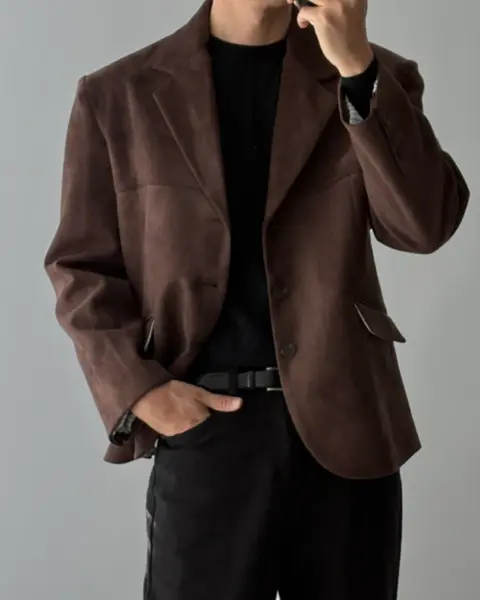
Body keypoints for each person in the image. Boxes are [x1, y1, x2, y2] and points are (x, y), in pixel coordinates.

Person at [44, 0, 469, 598]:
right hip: (204, 433)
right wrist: (140, 391)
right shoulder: (120, 94)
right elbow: (80, 267)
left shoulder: (374, 74)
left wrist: (356, 67)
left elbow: (423, 225)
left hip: (346, 426)